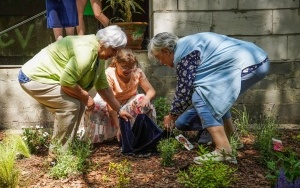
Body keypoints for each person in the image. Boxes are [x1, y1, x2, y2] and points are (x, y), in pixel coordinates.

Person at [148, 32, 270, 164]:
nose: (161, 62)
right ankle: (232, 138)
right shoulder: (187, 44)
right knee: (216, 96)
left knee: (201, 98)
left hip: (250, 64)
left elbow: (185, 91)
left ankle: (223, 150)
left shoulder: (183, 54)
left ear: (166, 51)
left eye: (159, 58)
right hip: (259, 60)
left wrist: (172, 115)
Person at [18, 25, 132, 160]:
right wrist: (86, 96)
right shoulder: (85, 53)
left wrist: (119, 110)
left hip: (51, 78)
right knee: (69, 105)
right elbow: (67, 82)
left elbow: (103, 87)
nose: (114, 54)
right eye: (114, 50)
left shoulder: (99, 55)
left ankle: (67, 149)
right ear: (103, 43)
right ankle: (57, 157)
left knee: (79, 104)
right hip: (33, 77)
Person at [80, 48, 157, 143]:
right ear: (116, 63)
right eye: (124, 67)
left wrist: (147, 98)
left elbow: (151, 90)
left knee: (142, 98)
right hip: (110, 103)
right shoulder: (109, 74)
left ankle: (146, 135)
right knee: (96, 106)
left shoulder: (137, 72)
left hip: (126, 103)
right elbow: (110, 103)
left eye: (131, 67)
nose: (128, 70)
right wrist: (119, 127)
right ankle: (96, 140)